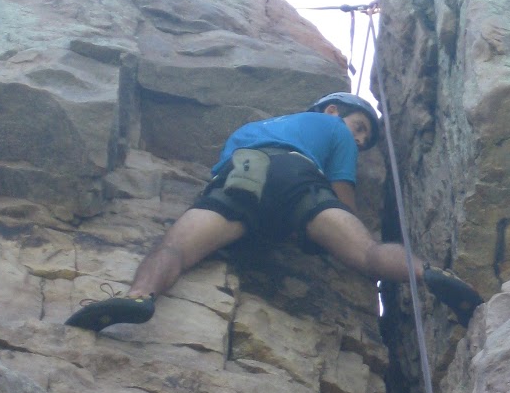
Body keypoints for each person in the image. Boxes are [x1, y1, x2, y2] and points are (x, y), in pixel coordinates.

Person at [65, 92, 482, 331]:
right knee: (367, 254)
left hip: (242, 173)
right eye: (359, 127)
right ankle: (430, 274)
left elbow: (222, 173)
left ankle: (139, 296)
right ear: (333, 111)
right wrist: (329, 231)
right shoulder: (332, 129)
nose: (357, 140)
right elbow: (340, 197)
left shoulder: (250, 130)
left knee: (176, 247)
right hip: (296, 175)